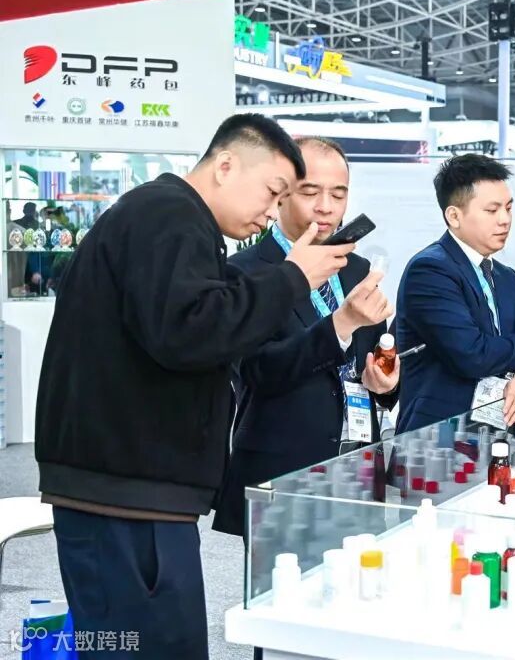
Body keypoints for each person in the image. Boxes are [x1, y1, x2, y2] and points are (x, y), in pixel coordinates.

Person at [34, 114, 354, 659]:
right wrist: (292, 278)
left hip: (137, 492)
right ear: (225, 165)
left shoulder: (175, 222)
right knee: (142, 647)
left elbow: (195, 320)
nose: (271, 212)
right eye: (273, 192)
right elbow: (190, 332)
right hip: (125, 496)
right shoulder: (168, 216)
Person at [213, 137, 397, 538]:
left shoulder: (356, 268)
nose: (326, 207)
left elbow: (372, 362)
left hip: (356, 466)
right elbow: (257, 372)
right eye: (311, 192)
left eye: (339, 194)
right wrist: (340, 325)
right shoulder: (244, 272)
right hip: (283, 468)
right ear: (280, 194)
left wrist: (386, 384)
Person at [395, 154, 515, 434]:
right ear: (454, 216)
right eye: (492, 211)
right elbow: (471, 354)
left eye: (508, 208)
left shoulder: (507, 278)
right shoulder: (430, 269)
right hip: (438, 439)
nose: (505, 220)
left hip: (500, 436)